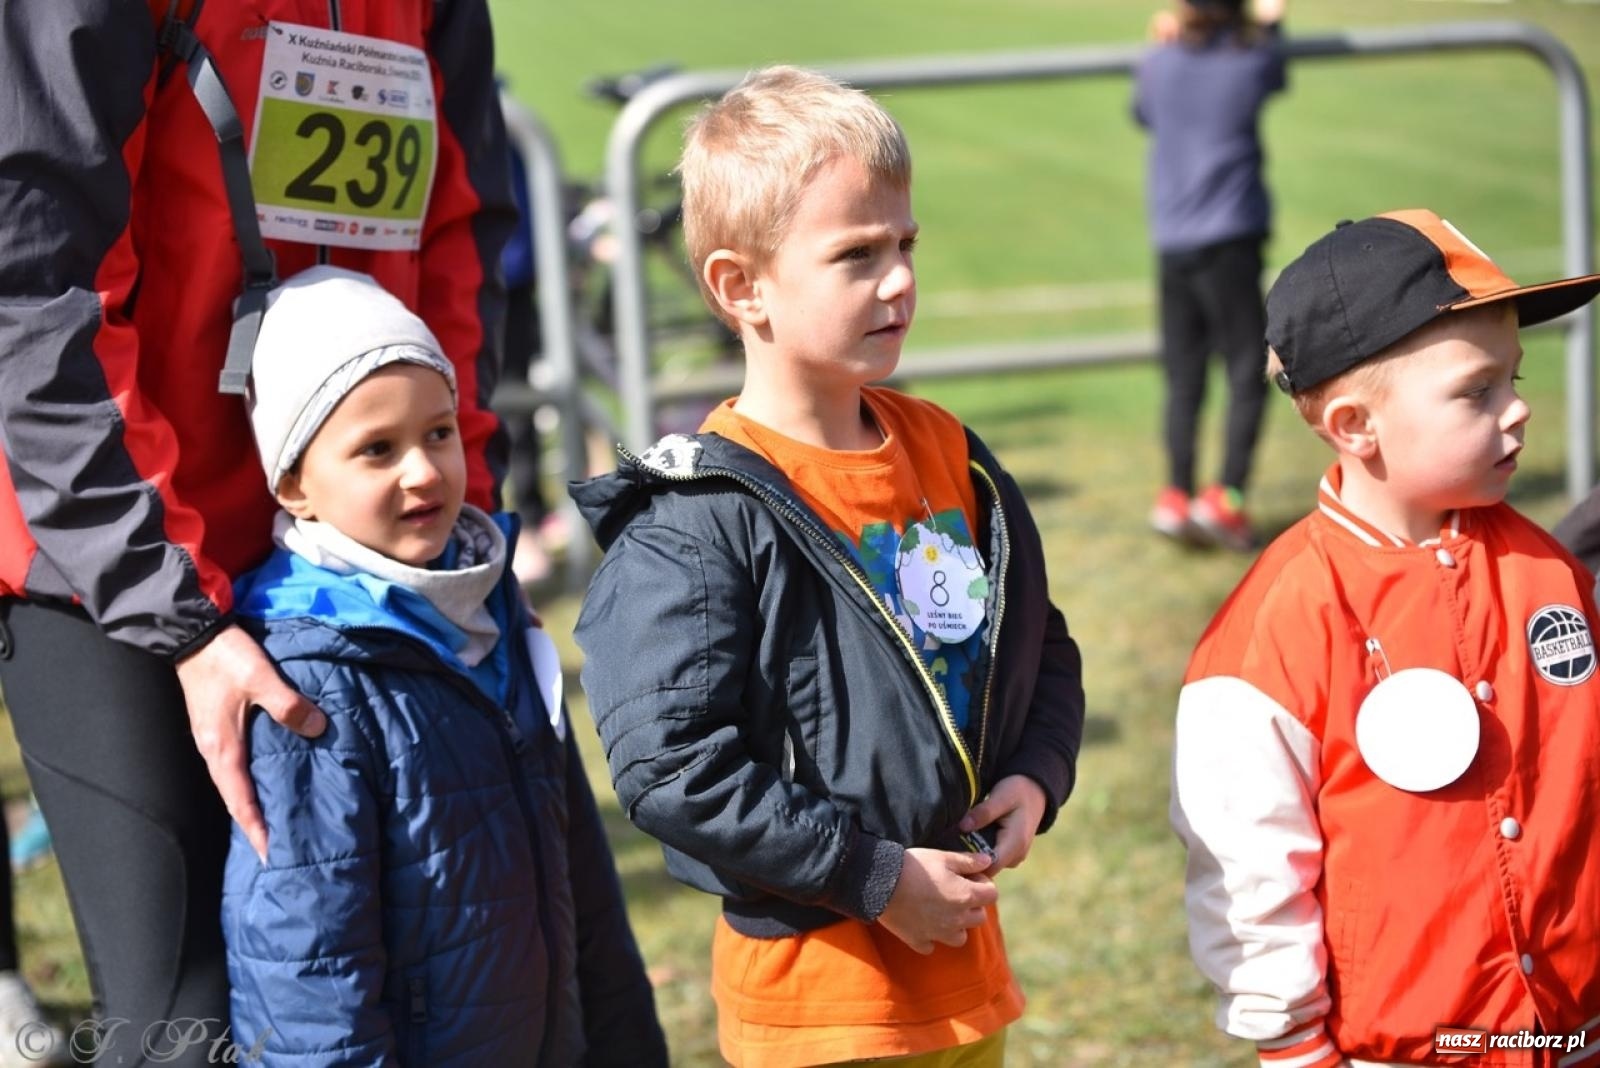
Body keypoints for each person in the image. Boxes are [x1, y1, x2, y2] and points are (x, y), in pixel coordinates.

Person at [0, 3, 514, 1063]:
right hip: (110, 562)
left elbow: (458, 232)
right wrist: (177, 614)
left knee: (430, 993)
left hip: (359, 555)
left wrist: (455, 515)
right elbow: (34, 280)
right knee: (186, 1025)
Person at [570, 66, 1085, 1067]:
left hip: (968, 983)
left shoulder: (947, 453)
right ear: (739, 287)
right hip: (820, 1013)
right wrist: (872, 875)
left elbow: (1034, 636)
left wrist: (1038, 771)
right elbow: (670, 766)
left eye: (904, 246)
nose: (896, 280)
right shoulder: (696, 516)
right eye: (855, 255)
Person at [1171, 210, 1600, 1066]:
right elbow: (1248, 867)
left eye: (1514, 378)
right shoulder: (1278, 627)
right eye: (1476, 391)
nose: (1517, 410)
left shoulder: (1551, 570)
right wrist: (1291, 1040)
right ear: (1356, 426)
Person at [221, 266, 666, 1065]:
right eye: (377, 450)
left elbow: (578, 883)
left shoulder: (493, 610)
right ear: (294, 485)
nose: (423, 471)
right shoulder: (309, 680)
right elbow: (309, 968)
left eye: (438, 433)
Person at [1134, 0, 1288, 550]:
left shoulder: (1160, 62)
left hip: (1173, 240)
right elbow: (1273, 71)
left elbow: (1143, 111)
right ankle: (1227, 499)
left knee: (1184, 373)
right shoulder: (1250, 60)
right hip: (1230, 241)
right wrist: (1270, 24)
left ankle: (1176, 495)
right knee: (1249, 369)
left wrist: (1163, 43)